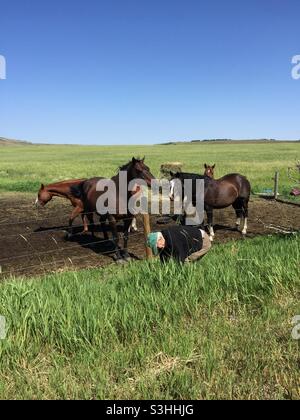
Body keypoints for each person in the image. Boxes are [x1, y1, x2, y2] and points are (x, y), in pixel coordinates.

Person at [147, 225, 212, 264]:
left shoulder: (173, 240)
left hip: (203, 240)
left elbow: (180, 260)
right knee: (190, 263)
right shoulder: (163, 239)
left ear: (160, 239)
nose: (160, 247)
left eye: (158, 246)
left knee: (187, 262)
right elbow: (164, 258)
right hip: (190, 244)